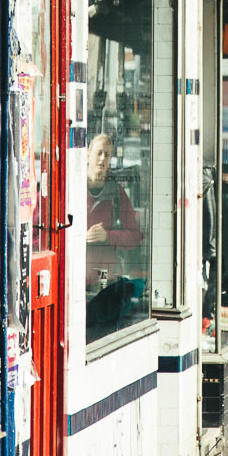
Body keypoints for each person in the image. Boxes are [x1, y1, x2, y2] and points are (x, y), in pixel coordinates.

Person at [85, 133, 143, 337]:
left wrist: (107, 237)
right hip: (75, 286)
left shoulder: (117, 193)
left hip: (105, 291)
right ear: (87, 155)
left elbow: (136, 237)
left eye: (107, 155)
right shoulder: (71, 188)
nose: (102, 159)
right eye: (99, 153)